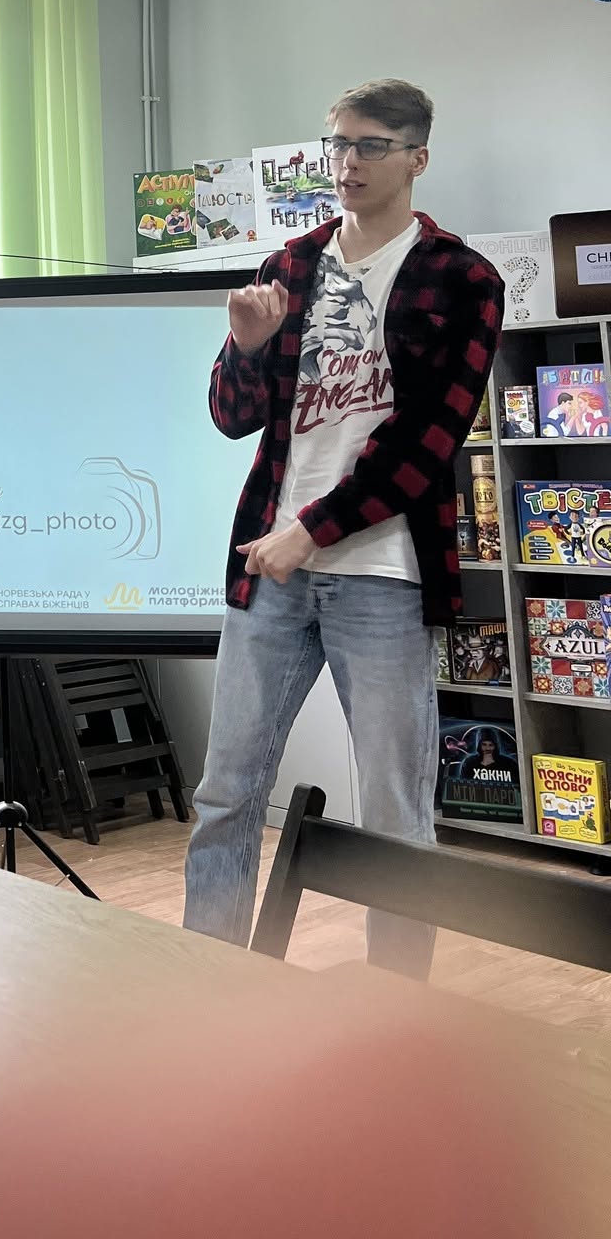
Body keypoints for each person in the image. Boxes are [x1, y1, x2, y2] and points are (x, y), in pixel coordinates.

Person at [183, 80, 503, 977]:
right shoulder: (290, 266)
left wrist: (311, 533)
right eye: (336, 145)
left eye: (369, 146)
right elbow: (232, 417)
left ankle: (392, 1010)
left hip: (382, 577)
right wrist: (244, 347)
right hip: (271, 571)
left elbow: (426, 444)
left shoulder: (463, 280)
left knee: (395, 815)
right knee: (227, 794)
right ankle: (201, 987)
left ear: (417, 158)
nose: (346, 163)